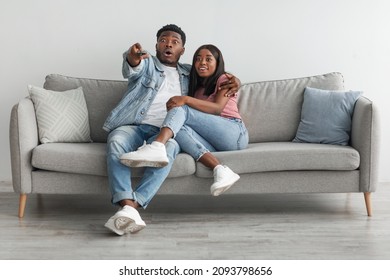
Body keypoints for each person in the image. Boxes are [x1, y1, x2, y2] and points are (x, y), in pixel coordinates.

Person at [102, 24, 241, 236]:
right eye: (164, 40)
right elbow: (133, 65)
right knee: (115, 141)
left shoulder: (189, 73)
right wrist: (133, 57)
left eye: (175, 42)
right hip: (135, 126)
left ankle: (131, 207)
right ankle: (128, 205)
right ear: (157, 45)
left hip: (171, 130)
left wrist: (235, 80)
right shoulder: (147, 64)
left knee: (168, 151)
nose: (169, 44)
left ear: (182, 50)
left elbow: (215, 77)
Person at [120, 44, 249, 197]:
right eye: (198, 59)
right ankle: (220, 169)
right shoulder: (195, 85)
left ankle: (157, 146)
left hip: (234, 133)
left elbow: (217, 108)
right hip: (213, 141)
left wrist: (186, 100)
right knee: (177, 129)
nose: (202, 63)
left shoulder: (225, 79)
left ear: (218, 63)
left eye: (208, 59)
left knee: (182, 109)